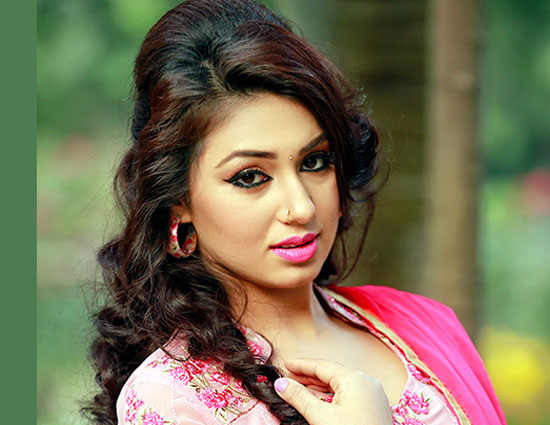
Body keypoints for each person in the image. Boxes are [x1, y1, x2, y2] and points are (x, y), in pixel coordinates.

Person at [85, 1, 506, 424]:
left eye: (315, 162)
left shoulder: (424, 326)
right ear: (179, 201)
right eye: (250, 177)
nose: (302, 207)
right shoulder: (171, 398)